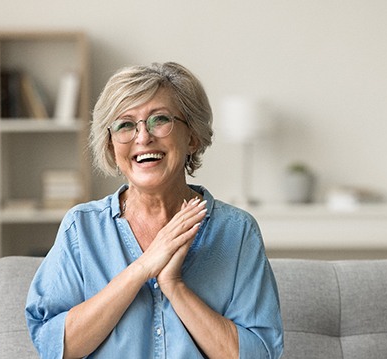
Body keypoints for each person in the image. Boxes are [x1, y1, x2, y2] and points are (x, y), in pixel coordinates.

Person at [25, 62, 284, 358]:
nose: (143, 137)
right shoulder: (81, 228)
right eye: (125, 124)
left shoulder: (236, 232)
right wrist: (142, 268)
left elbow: (259, 354)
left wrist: (173, 286)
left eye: (159, 120)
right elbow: (54, 345)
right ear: (111, 146)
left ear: (192, 136)